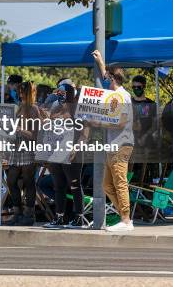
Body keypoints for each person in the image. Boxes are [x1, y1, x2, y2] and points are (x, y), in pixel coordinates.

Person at [92, 50, 135, 232]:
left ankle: (126, 221)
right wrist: (101, 61)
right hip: (113, 145)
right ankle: (124, 218)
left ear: (112, 79)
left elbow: (122, 121)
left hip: (121, 145)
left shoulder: (122, 96)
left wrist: (99, 122)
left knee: (119, 182)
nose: (104, 82)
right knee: (107, 185)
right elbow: (104, 75)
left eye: (107, 79)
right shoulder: (115, 94)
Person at [44, 83, 88, 229]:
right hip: (55, 153)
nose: (60, 96)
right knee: (58, 186)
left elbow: (85, 134)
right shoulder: (55, 109)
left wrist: (77, 148)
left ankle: (79, 217)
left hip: (72, 153)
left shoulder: (78, 110)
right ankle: (59, 217)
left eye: (64, 93)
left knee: (75, 185)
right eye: (59, 93)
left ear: (71, 93)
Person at [6, 81, 41, 226]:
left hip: (28, 149)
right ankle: (17, 212)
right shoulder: (19, 107)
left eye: (22, 91)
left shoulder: (33, 109)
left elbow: (36, 134)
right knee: (11, 181)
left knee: (28, 182)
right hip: (17, 148)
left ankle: (28, 214)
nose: (19, 94)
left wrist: (20, 130)